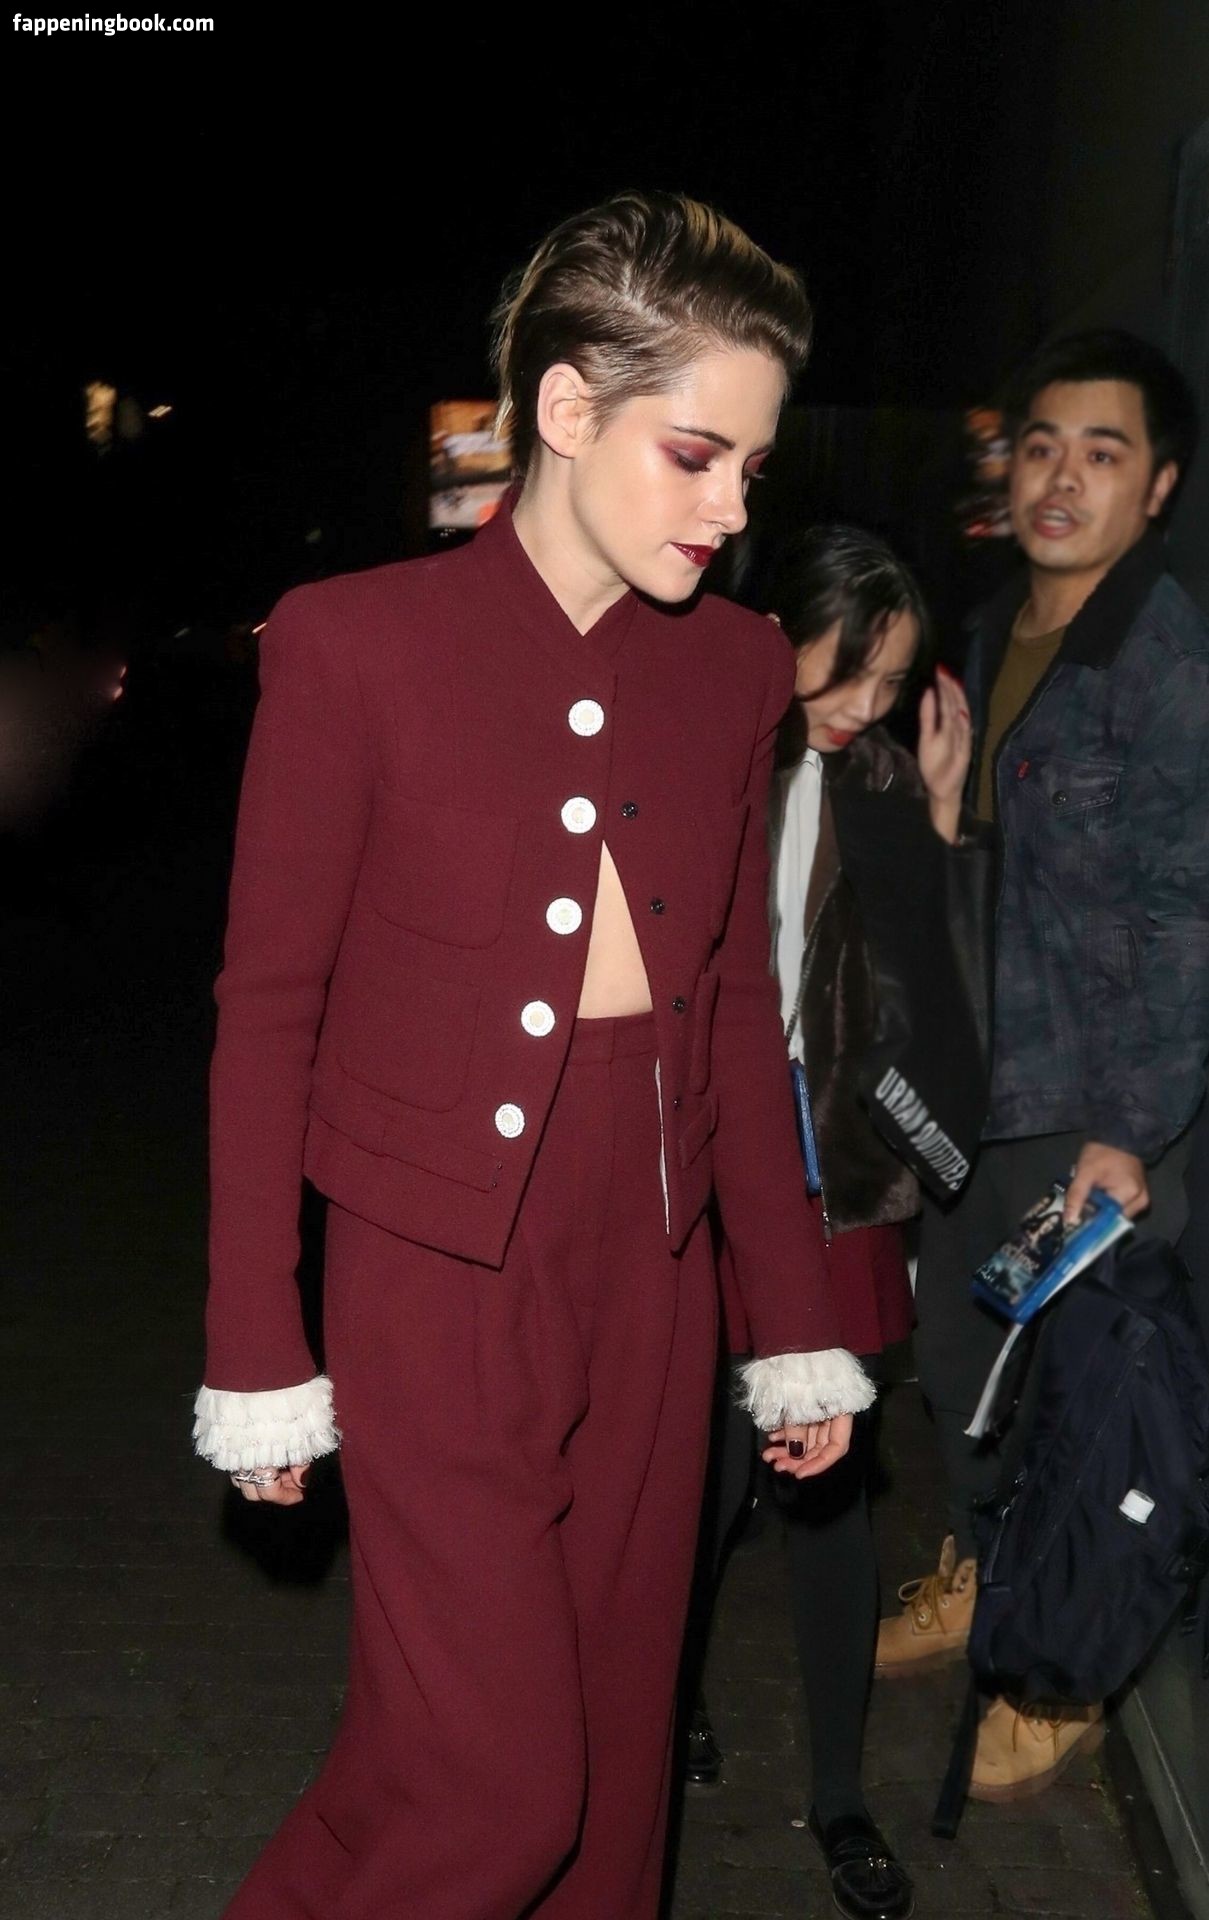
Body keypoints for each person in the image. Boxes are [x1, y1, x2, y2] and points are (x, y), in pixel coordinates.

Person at [191, 191, 875, 1920]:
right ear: (568, 409)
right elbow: (267, 1011)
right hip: (433, 1269)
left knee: (609, 1775)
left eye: (751, 469)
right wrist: (257, 1339)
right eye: (694, 455)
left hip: (650, 1266)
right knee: (499, 1792)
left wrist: (790, 1319)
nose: (732, 510)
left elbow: (734, 1008)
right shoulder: (354, 643)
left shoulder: (736, 671)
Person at [877, 328, 1209, 1802]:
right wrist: (948, 820)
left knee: (1087, 1396)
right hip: (986, 1081)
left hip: (1094, 1104)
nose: (1061, 478)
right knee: (961, 1359)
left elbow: (1185, 912)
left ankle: (1064, 1667)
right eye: (1039, 447)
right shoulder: (989, 624)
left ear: (1159, 487)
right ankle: (978, 1568)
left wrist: (1130, 1131)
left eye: (1102, 452)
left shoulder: (1166, 664)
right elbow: (998, 876)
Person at [685, 525, 980, 1920]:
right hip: (691, 1169)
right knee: (691, 1477)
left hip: (832, 1177)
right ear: (777, 631)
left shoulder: (876, 780)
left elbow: (933, 992)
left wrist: (937, 825)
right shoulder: (695, 750)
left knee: (829, 1489)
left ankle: (841, 1791)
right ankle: (667, 1701)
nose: (864, 703)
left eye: (891, 680)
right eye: (846, 667)